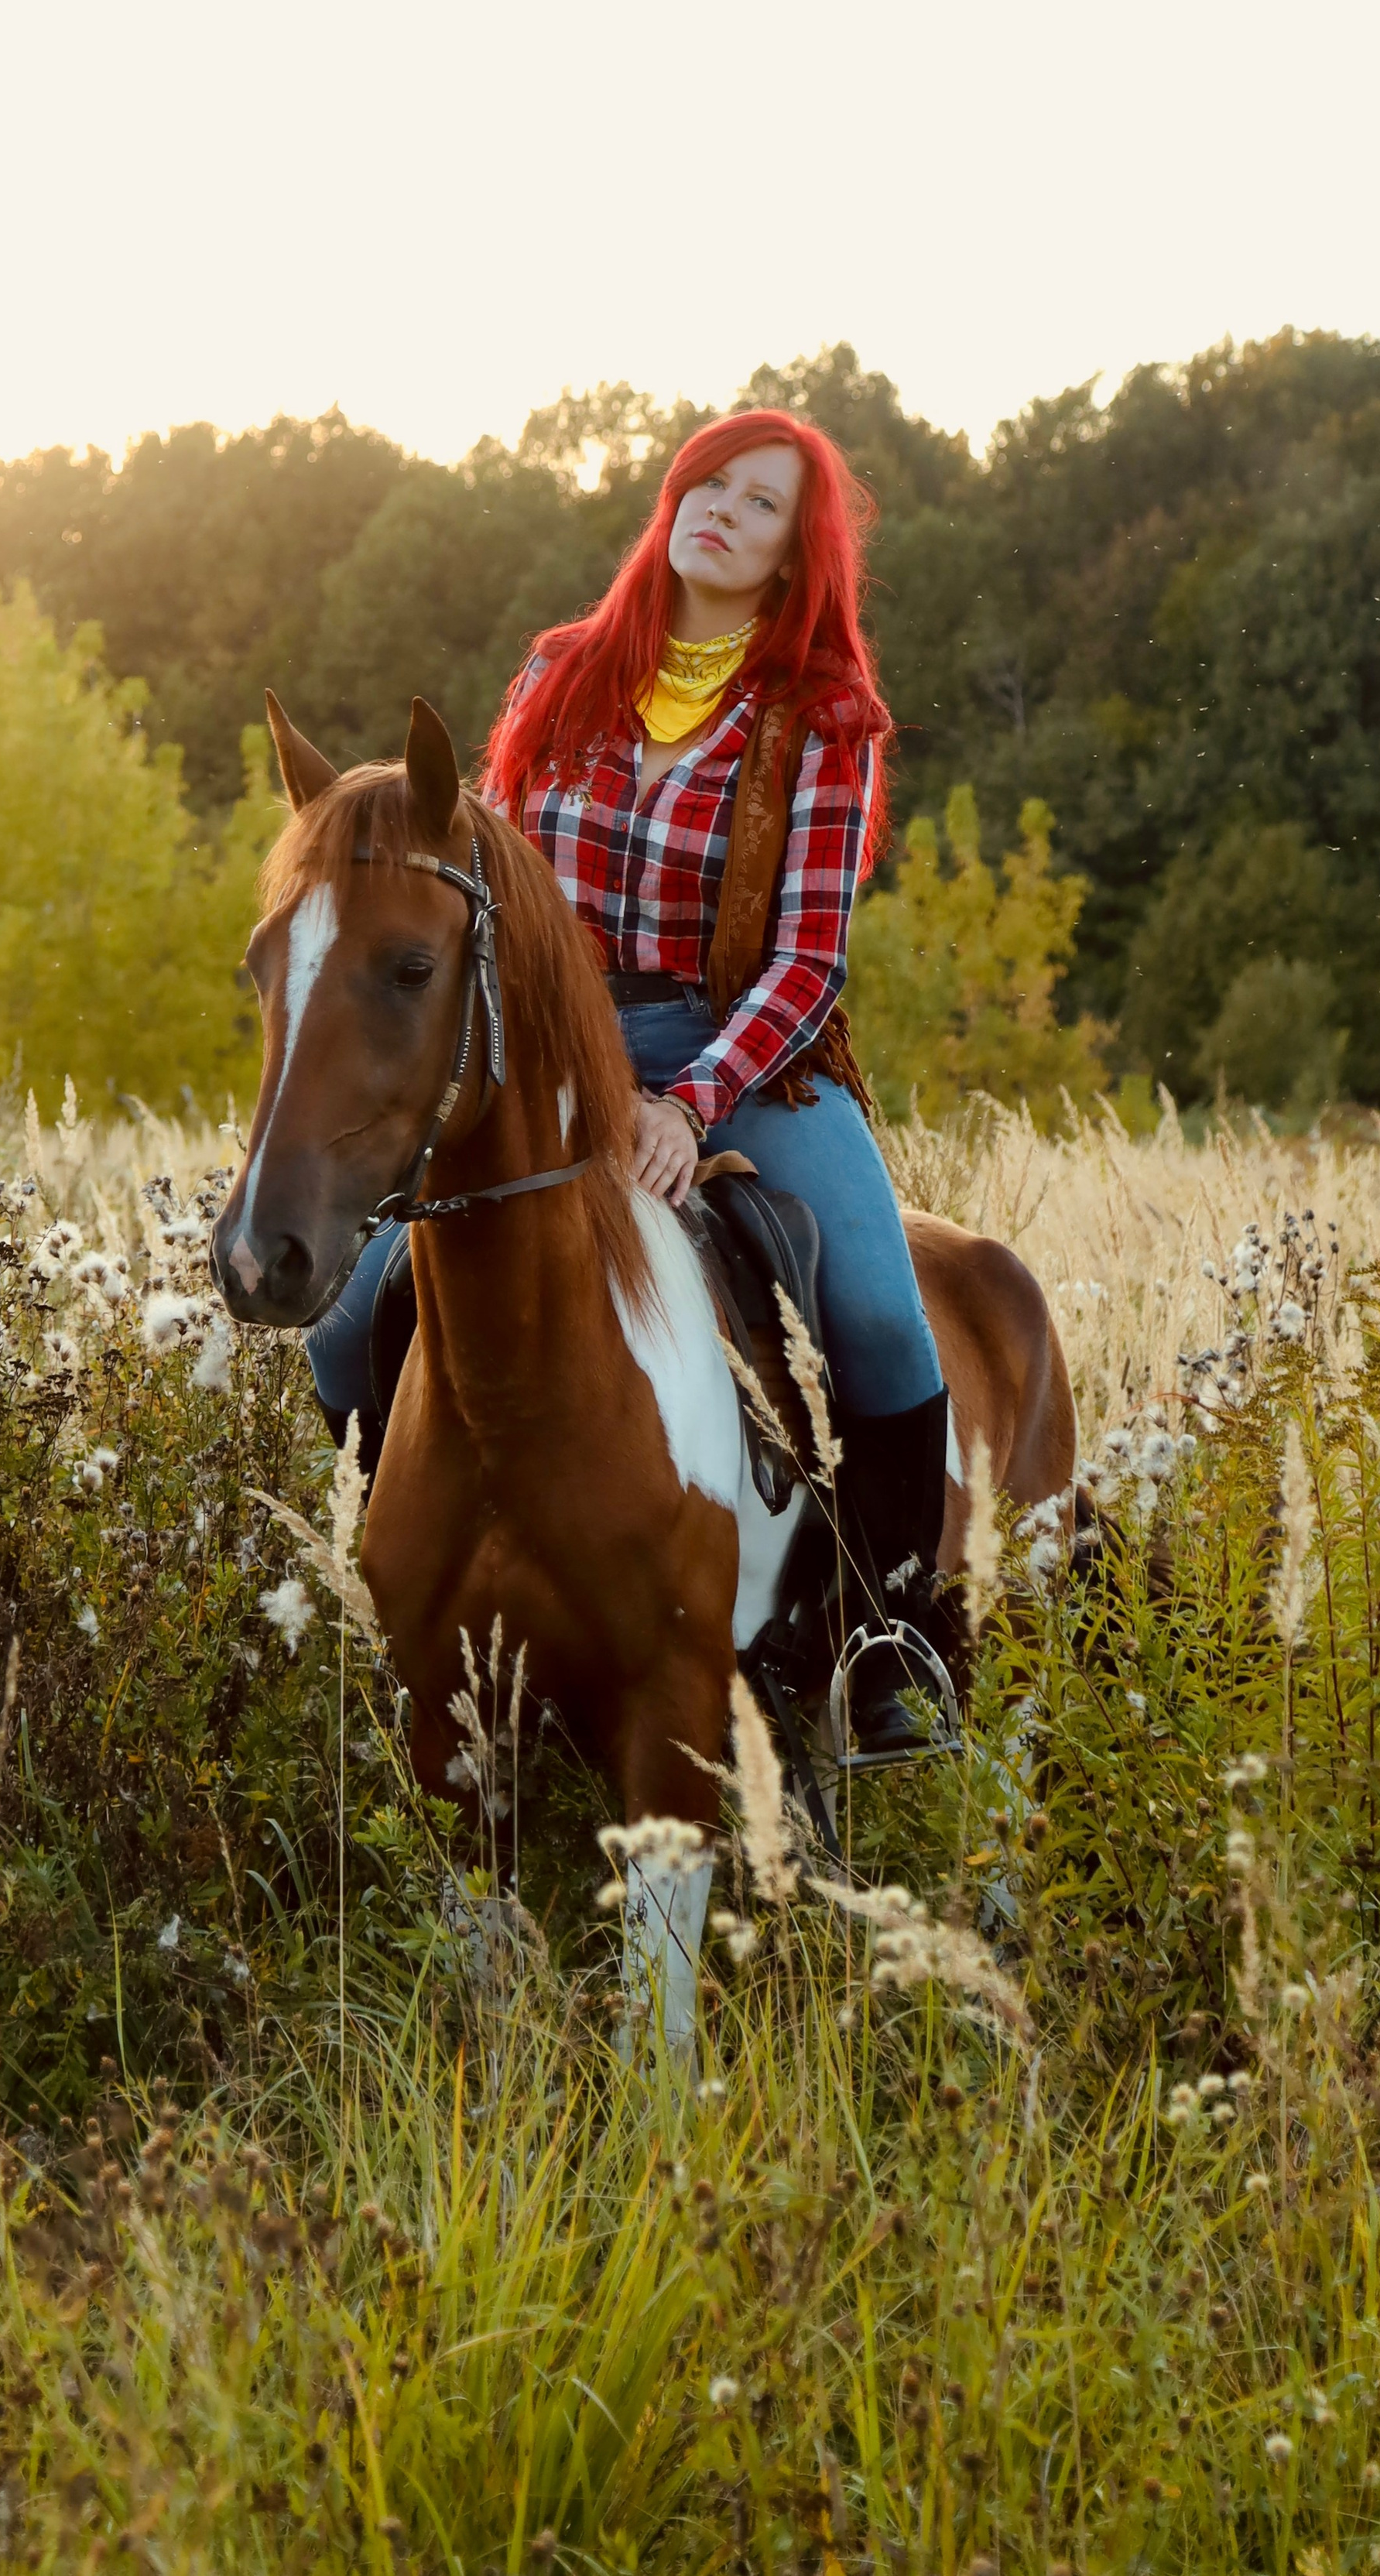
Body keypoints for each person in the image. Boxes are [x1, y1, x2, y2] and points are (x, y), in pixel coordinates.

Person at [306, 407, 949, 1760]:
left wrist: (691, 1100)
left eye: (762, 503)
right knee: (347, 1319)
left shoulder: (827, 718)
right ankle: (414, 1606)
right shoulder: (564, 670)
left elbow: (810, 959)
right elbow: (482, 876)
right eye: (710, 482)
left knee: (884, 1321)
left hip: (746, 1056)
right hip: (549, 1050)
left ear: (796, 554)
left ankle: (883, 1647)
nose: (723, 509)